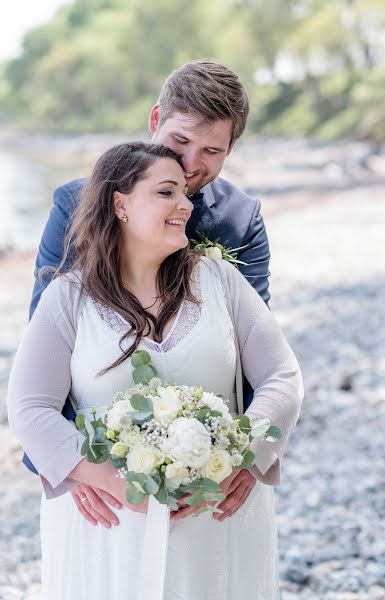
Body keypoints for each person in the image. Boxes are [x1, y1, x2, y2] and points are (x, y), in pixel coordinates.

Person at [8, 142, 303, 599]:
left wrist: (246, 457)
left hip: (215, 511)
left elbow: (281, 376)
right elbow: (30, 405)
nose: (186, 204)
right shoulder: (68, 296)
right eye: (167, 192)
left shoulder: (219, 280)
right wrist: (100, 477)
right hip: (108, 523)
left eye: (185, 193)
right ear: (120, 204)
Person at [25, 60, 272, 529]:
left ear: (231, 149)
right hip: (99, 466)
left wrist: (250, 456)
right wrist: (72, 465)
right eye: (180, 141)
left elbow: (256, 351)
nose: (190, 163)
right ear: (156, 119)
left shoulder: (241, 220)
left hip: (208, 467)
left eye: (211, 150)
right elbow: (46, 340)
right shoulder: (76, 204)